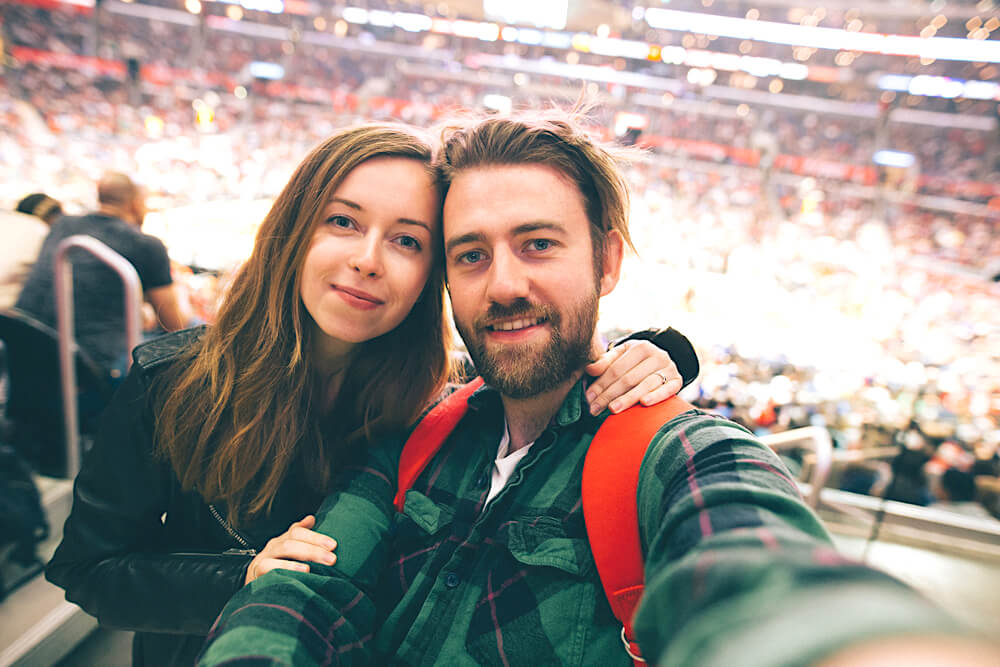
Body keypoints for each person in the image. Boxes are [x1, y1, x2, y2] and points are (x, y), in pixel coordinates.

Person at [198, 111, 997, 667]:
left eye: (538, 243)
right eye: (470, 255)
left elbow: (753, 564)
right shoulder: (421, 432)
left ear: (607, 262)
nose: (503, 284)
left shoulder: (676, 452)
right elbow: (311, 590)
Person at [45, 123, 695, 667]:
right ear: (296, 229)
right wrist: (239, 575)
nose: (368, 259)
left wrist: (663, 350)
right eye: (343, 222)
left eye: (407, 240)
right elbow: (88, 568)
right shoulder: (174, 382)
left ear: (433, 273)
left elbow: (532, 346)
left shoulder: (427, 404)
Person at [15, 172, 187, 377]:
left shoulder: (63, 225)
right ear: (135, 204)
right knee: (193, 332)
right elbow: (175, 325)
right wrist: (182, 291)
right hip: (89, 366)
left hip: (26, 345)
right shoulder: (146, 244)